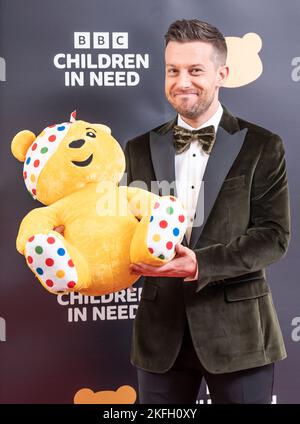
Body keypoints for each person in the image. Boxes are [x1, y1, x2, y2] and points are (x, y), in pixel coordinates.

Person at [124, 19, 290, 404]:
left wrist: (199, 263)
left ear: (222, 74)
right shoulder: (137, 149)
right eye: (173, 70)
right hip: (159, 336)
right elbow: (128, 229)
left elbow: (273, 237)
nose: (182, 82)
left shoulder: (263, 145)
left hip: (240, 336)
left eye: (195, 70)